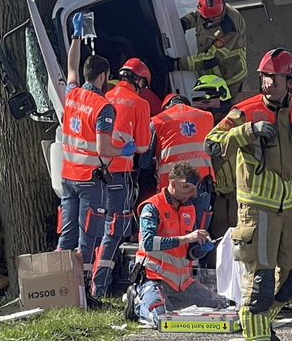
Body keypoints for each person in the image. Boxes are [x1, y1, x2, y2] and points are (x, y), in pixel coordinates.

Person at [205, 48, 292, 341]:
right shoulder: (244, 111)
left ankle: (260, 320)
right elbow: (212, 143)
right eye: (266, 76)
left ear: (290, 79)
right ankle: (256, 340)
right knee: (261, 276)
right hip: (257, 208)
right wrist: (245, 131)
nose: (270, 82)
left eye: (277, 77)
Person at [57, 13, 134, 291]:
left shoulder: (72, 94)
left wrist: (76, 36)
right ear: (103, 77)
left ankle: (59, 288)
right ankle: (84, 292)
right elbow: (103, 148)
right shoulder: (104, 107)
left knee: (67, 236)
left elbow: (71, 66)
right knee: (88, 237)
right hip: (90, 180)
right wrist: (124, 148)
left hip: (67, 177)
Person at [129, 163, 232, 324]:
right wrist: (187, 239)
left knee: (224, 305)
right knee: (158, 318)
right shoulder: (152, 207)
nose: (191, 194)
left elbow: (188, 252)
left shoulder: (189, 209)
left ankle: (171, 303)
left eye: (193, 189)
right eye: (186, 187)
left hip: (183, 283)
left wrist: (199, 248)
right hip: (155, 278)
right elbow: (148, 243)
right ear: (173, 183)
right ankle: (137, 298)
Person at [90, 56, 153, 299]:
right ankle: (100, 288)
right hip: (119, 173)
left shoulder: (103, 98)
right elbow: (143, 146)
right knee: (115, 230)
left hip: (93, 173)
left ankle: (88, 285)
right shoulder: (138, 103)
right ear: (139, 81)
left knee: (94, 230)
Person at [150, 93, 215, 232]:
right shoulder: (207, 117)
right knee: (199, 232)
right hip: (201, 183)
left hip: (172, 186)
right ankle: (196, 252)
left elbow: (145, 160)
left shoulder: (157, 121)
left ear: (166, 107)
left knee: (175, 229)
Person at [175, 0, 248, 98]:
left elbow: (211, 58)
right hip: (209, 77)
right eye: (211, 19)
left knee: (225, 110)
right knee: (203, 106)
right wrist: (185, 23)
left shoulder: (229, 28)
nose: (216, 20)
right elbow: (197, 17)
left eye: (218, 17)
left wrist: (177, 64)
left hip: (230, 80)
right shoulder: (207, 12)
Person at [195, 75, 240, 240]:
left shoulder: (237, 122)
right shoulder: (198, 126)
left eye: (208, 99)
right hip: (216, 198)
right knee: (216, 243)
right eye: (199, 100)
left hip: (239, 196)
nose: (203, 104)